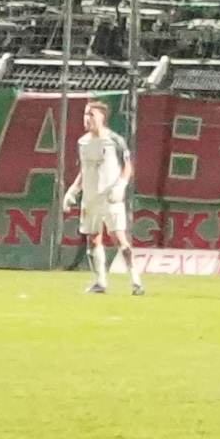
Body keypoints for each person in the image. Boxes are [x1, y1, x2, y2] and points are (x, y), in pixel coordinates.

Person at [70, 99, 142, 295]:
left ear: (102, 117)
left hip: (110, 197)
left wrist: (120, 187)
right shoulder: (82, 142)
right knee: (93, 239)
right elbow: (84, 170)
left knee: (119, 238)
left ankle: (136, 281)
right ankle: (100, 282)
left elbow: (127, 167)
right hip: (90, 199)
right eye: (85, 114)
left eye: (91, 115)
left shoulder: (114, 140)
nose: (86, 118)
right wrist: (73, 190)